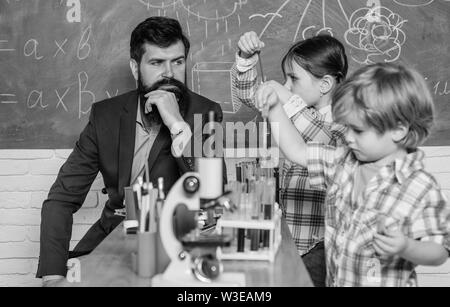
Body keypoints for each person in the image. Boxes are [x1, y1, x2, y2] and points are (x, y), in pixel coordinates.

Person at [37, 16, 225, 285]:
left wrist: (177, 125)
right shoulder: (106, 116)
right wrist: (52, 277)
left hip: (176, 247)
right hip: (111, 240)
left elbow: (213, 194)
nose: (169, 73)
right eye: (156, 63)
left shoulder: (206, 113)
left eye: (178, 61)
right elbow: (61, 199)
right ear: (135, 68)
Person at [257, 62, 449, 286]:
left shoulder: (419, 185)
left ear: (398, 130)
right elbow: (296, 150)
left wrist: (407, 247)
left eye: (357, 130)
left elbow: (439, 251)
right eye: (346, 127)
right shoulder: (343, 162)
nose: (347, 137)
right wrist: (274, 108)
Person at [232, 32, 348, 286]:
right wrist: (246, 60)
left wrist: (286, 99)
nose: (286, 86)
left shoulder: (346, 119)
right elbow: (253, 95)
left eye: (293, 78)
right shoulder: (295, 107)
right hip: (288, 239)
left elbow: (321, 135)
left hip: (318, 247)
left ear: (325, 84)